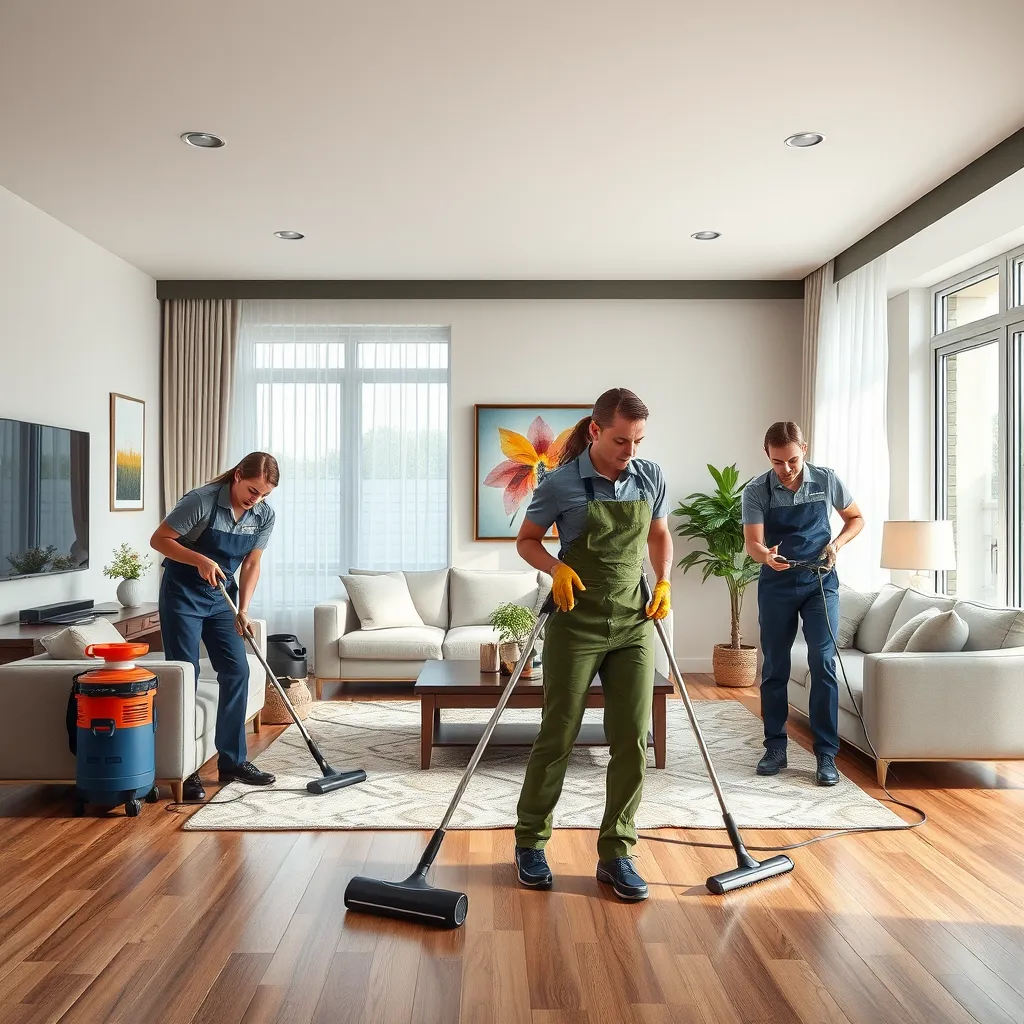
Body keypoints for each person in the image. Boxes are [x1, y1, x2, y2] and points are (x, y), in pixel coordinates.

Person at [512, 388, 673, 901]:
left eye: (638, 441)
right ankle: (531, 842)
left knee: (632, 737)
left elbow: (660, 535)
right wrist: (556, 567)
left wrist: (664, 579)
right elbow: (527, 540)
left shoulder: (650, 477)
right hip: (575, 622)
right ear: (597, 431)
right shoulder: (560, 483)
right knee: (558, 732)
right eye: (622, 440)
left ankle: (617, 853)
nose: (630, 451)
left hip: (632, 622)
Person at [151, 452, 280, 801]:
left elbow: (252, 564)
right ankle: (186, 770)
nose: (257, 499)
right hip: (183, 595)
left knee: (237, 671)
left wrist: (244, 610)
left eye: (264, 494)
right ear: (238, 475)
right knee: (186, 675)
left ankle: (232, 762)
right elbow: (159, 540)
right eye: (253, 490)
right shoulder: (201, 501)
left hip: (222, 598)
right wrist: (199, 559)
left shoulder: (263, 515)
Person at [742, 421, 863, 786]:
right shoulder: (756, 491)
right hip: (777, 584)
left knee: (823, 662)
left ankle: (826, 755)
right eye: (778, 462)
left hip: (820, 585)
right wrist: (765, 556)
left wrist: (837, 545)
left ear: (804, 449)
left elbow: (856, 518)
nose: (787, 469)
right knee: (775, 665)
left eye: (792, 460)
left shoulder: (827, 480)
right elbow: (753, 544)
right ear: (768, 455)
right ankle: (775, 747)